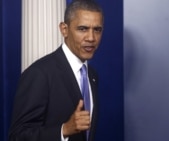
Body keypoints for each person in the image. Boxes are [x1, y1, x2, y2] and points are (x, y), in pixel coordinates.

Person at [8, 0, 104, 140]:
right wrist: (63, 130)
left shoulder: (92, 75)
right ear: (64, 29)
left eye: (97, 30)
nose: (91, 38)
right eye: (82, 29)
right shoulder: (39, 73)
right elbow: (17, 136)